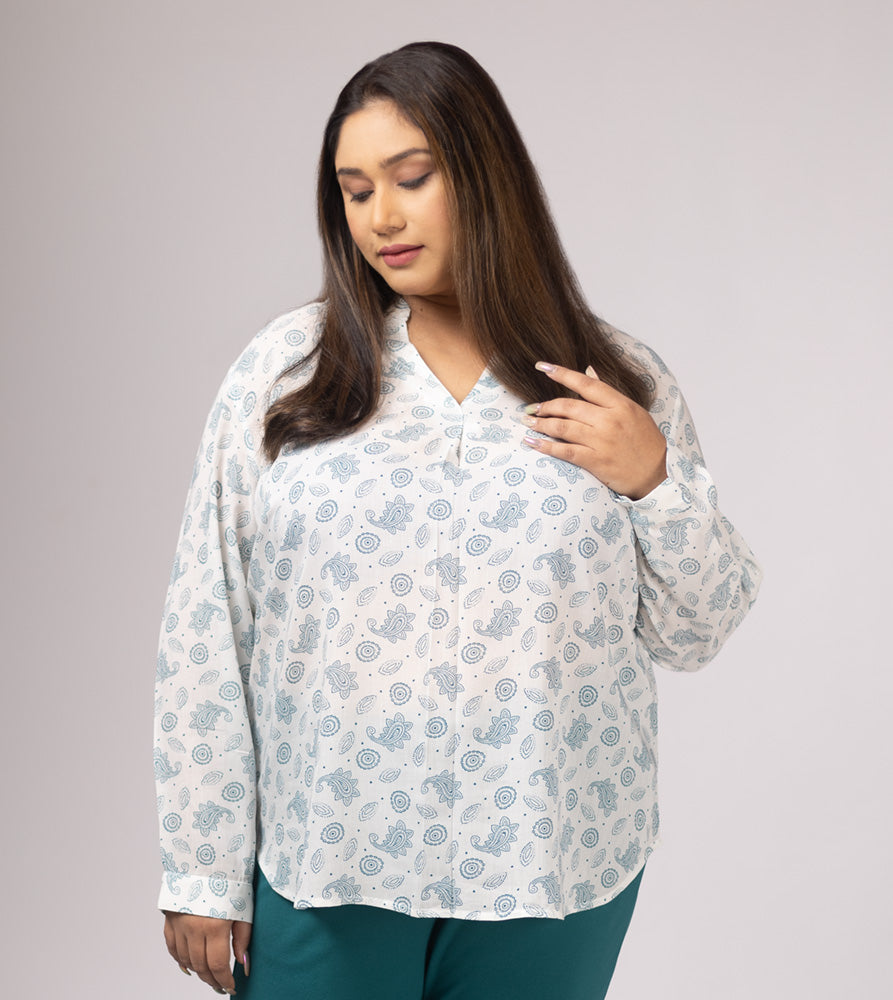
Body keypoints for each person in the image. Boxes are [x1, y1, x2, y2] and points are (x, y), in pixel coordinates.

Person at [155, 41, 762, 999]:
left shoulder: (616, 382)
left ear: (485, 176)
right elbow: (208, 621)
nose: (382, 217)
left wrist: (653, 480)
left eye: (412, 178)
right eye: (356, 191)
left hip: (550, 865)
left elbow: (696, 631)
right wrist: (201, 866)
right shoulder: (284, 374)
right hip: (333, 857)